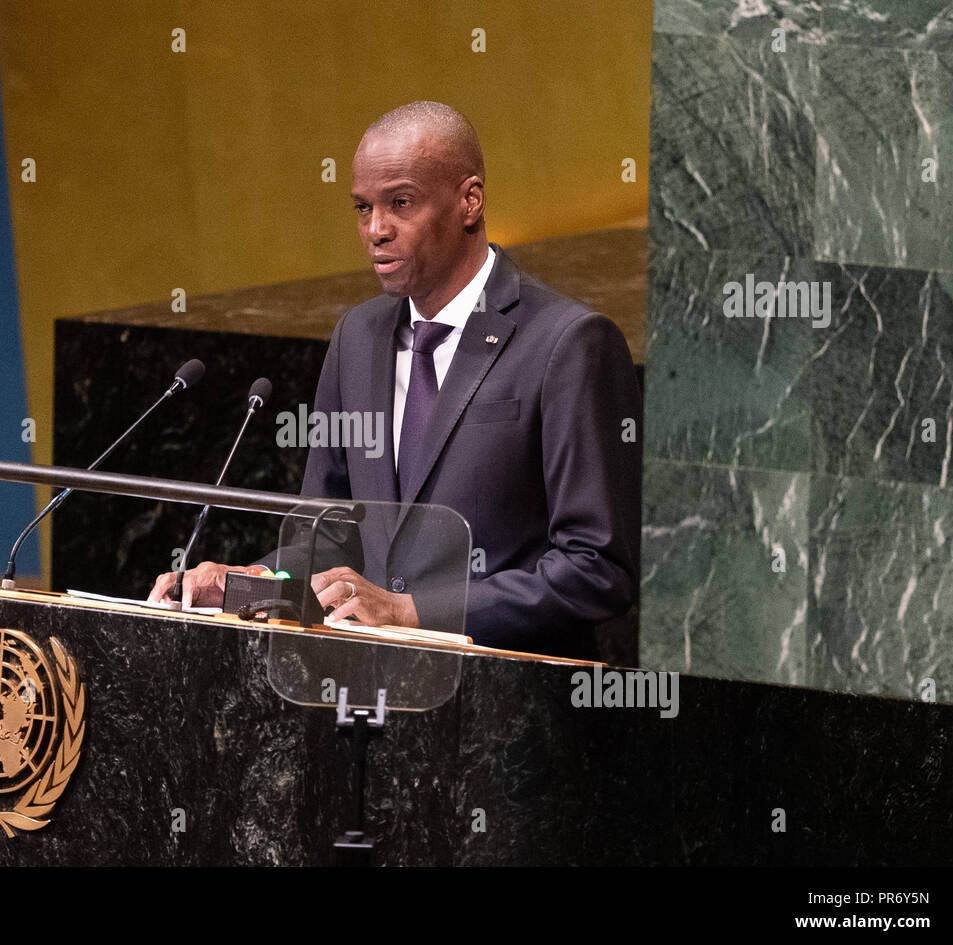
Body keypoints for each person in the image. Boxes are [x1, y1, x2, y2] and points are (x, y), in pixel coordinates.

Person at [151, 102, 641, 656]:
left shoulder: (568, 343)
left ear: (469, 201)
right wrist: (247, 585)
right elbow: (328, 534)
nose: (375, 230)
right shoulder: (356, 338)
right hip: (364, 704)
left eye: (400, 203)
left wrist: (410, 612)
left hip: (504, 712)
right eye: (363, 208)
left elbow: (597, 569)